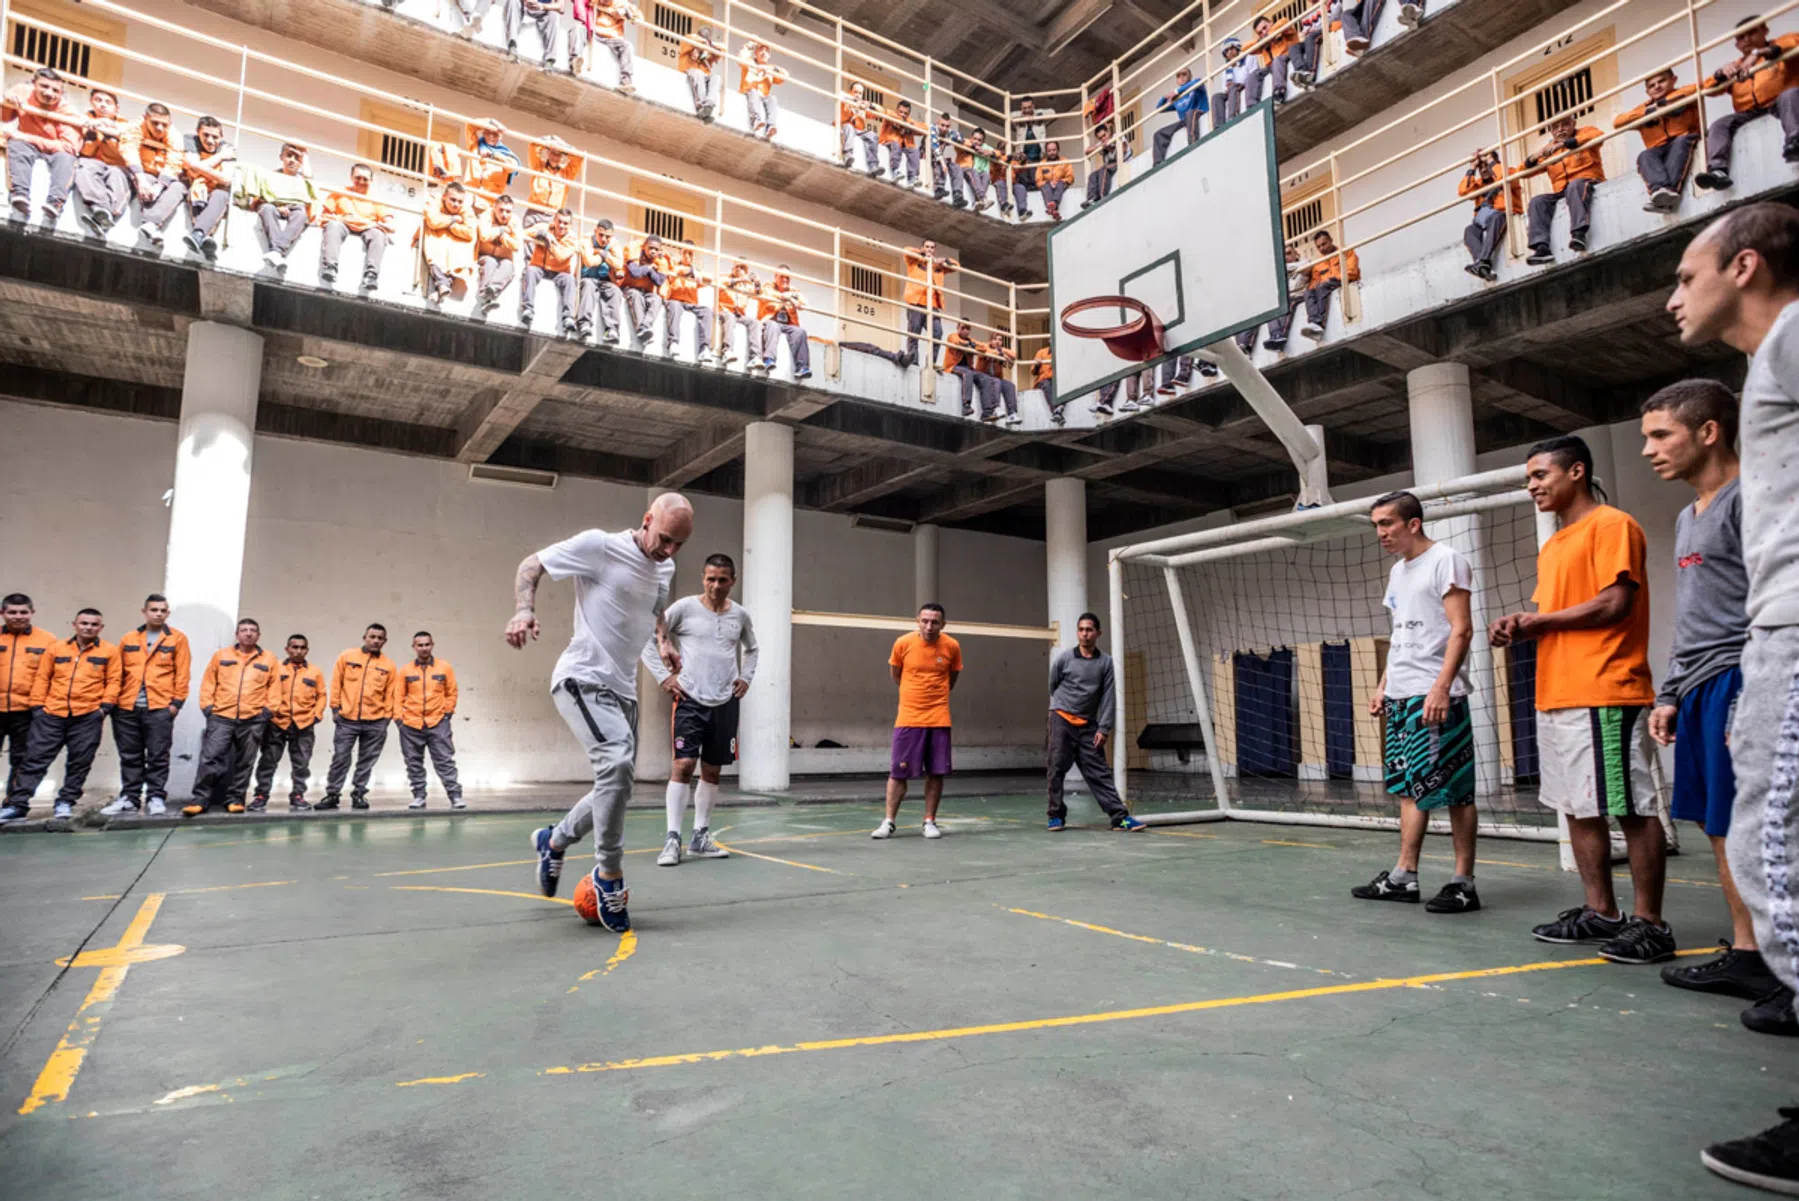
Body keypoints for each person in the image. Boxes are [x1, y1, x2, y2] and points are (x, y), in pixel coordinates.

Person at [1665, 203, 1799, 1189]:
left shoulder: (1793, 340)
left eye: (1685, 275)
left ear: (1742, 265)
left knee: (1777, 865)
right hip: (1768, 643)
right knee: (1766, 858)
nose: (1674, 297)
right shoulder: (1773, 366)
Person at [1488, 435, 1673, 964]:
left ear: (1576, 472)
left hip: (1605, 692)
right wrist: (1522, 627)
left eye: (1540, 475)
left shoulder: (1612, 525)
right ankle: (1602, 912)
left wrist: (1537, 621)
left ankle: (1651, 924)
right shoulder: (1555, 545)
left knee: (1630, 808)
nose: (1532, 486)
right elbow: (1559, 618)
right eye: (1529, 479)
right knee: (1576, 808)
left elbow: (1614, 603)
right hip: (1559, 695)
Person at [1639, 380, 1772, 1002]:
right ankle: (1749, 951)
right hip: (1696, 690)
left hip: (1742, 681)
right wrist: (1669, 692)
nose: (1648, 450)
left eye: (1661, 435)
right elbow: (1695, 616)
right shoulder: (1686, 516)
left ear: (1709, 431)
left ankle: (1768, 955)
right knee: (1719, 826)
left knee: (1753, 824)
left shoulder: (1755, 499)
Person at [513, 493, 693, 934]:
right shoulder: (599, 546)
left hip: (623, 690)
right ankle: (608, 875)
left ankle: (553, 841)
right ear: (647, 520)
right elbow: (530, 564)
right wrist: (523, 610)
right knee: (615, 765)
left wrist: (665, 641)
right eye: (665, 539)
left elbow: (655, 612)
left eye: (678, 546)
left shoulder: (664, 567)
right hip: (582, 677)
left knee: (616, 784)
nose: (668, 552)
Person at [1353, 491, 1480, 911]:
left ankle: (1464, 883)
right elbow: (1402, 637)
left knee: (1456, 792)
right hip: (1401, 696)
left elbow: (1461, 630)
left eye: (1387, 523)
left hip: (1436, 696)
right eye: (1376, 525)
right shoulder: (1397, 573)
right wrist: (1383, 685)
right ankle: (1404, 877)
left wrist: (1441, 687)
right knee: (1408, 789)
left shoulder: (1447, 560)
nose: (1381, 533)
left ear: (1413, 524)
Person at [645, 553, 758, 866]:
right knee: (683, 764)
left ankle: (700, 837)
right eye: (710, 579)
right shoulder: (684, 608)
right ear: (703, 578)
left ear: (733, 581)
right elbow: (650, 636)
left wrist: (745, 678)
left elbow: (753, 648)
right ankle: (672, 839)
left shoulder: (740, 616)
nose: (716, 585)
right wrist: (664, 677)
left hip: (725, 701)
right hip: (690, 699)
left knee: (712, 769)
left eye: (723, 580)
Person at [0, 609, 119, 825]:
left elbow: (113, 681)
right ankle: (17, 805)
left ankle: (65, 802)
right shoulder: (56, 648)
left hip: (87, 715)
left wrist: (103, 709)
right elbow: (42, 678)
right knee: (34, 760)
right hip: (52, 715)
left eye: (94, 624)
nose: (88, 627)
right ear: (74, 625)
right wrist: (38, 707)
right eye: (84, 623)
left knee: (80, 762)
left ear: (100, 628)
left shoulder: (109, 651)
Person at [1046, 613, 1142, 832]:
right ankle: (1055, 816)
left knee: (1099, 771)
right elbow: (1053, 685)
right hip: (1061, 718)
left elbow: (1109, 696)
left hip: (1089, 724)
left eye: (1089, 630)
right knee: (1056, 768)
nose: (1084, 634)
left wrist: (1104, 727)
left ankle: (1120, 818)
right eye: (1081, 630)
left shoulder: (1106, 662)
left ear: (1098, 633)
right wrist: (1063, 708)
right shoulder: (1065, 659)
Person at [873, 603, 961, 840]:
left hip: (939, 718)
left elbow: (952, 678)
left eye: (934, 622)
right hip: (909, 719)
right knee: (898, 773)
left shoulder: (952, 646)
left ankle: (929, 821)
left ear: (943, 624)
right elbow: (896, 676)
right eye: (925, 621)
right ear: (917, 621)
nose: (929, 626)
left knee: (935, 772)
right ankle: (889, 821)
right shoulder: (903, 644)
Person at [101, 594, 191, 818]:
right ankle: (130, 798)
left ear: (167, 613)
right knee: (130, 755)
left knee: (158, 755)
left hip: (159, 707)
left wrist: (175, 704)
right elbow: (116, 673)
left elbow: (182, 674)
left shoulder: (177, 639)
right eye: (154, 610)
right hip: (126, 708)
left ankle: (155, 797)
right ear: (144, 612)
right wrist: (114, 703)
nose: (158, 614)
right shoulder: (129, 638)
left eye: (163, 610)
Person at [183, 619, 277, 817]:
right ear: (237, 634)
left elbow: (275, 688)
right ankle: (200, 799)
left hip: (252, 719)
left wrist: (266, 712)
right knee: (210, 759)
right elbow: (209, 682)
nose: (249, 634)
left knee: (245, 762)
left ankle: (235, 799)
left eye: (253, 631)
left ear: (258, 635)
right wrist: (208, 708)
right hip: (221, 717)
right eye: (244, 630)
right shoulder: (221, 656)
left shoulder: (269, 659)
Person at [1694, 17, 1799, 193]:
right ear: (1737, 45)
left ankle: (1795, 142)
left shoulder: (1780, 46)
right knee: (1719, 124)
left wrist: (1757, 54)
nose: (1747, 40)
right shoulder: (1737, 66)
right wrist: (1721, 73)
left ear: (1764, 30)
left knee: (1790, 95)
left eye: (1752, 33)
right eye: (1741, 37)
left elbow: (1793, 42)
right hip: (1750, 112)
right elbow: (1708, 89)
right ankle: (1718, 170)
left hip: (1778, 103)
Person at [320, 623, 400, 811]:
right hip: (347, 720)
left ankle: (359, 794)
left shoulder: (388, 665)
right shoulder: (347, 657)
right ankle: (332, 795)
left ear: (385, 641)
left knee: (367, 760)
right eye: (372, 636)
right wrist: (335, 709)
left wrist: (386, 718)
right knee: (340, 758)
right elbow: (336, 682)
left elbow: (391, 693)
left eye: (380, 638)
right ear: (364, 637)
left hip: (376, 722)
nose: (375, 640)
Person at [252, 634, 325, 812]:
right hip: (277, 722)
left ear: (307, 650)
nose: (298, 651)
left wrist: (316, 715)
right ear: (287, 649)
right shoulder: (276, 668)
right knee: (268, 761)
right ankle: (261, 796)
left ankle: (298, 796)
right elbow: (265, 689)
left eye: (302, 647)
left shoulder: (314, 672)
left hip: (303, 724)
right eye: (294, 647)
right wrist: (267, 713)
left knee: (301, 764)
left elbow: (322, 695)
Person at [3, 67, 82, 227]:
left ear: (61, 93)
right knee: (16, 144)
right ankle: (20, 195)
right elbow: (4, 119)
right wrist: (7, 102)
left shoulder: (67, 111)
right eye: (44, 86)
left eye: (55, 90)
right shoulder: (22, 92)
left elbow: (70, 147)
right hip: (27, 145)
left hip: (56, 149)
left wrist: (27, 137)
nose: (49, 93)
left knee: (67, 159)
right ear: (34, 84)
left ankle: (55, 204)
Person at [1614, 68, 1701, 213]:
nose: (1657, 86)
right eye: (1652, 85)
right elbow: (1618, 122)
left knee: (1680, 142)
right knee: (1645, 155)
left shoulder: (1684, 94)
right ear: (1647, 92)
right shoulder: (1645, 108)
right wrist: (1648, 113)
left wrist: (1669, 103)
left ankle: (1666, 197)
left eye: (1662, 81)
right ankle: (1662, 191)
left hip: (1686, 139)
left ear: (1673, 80)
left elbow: (1700, 87)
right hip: (1659, 150)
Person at [1522, 114, 1605, 265]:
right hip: (1562, 190)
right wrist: (1536, 155)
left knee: (1575, 185)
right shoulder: (1549, 149)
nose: (1560, 129)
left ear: (1573, 124)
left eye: (1565, 124)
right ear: (1551, 131)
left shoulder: (1585, 132)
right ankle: (1541, 248)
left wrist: (1566, 144)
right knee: (1537, 201)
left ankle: (1578, 234)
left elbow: (1598, 135)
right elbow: (1523, 172)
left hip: (1587, 180)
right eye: (1555, 127)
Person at [0, 595, 57, 803]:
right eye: (12, 612)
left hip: (26, 711)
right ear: (2, 613)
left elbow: (54, 675)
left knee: (23, 758)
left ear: (32, 613)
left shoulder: (47, 640)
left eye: (23, 612)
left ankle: (13, 803)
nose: (18, 616)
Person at [397, 632, 462, 811]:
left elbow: (452, 692)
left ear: (432, 645)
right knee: (413, 762)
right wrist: (399, 720)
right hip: (411, 725)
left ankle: (455, 796)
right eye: (420, 645)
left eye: (427, 644)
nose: (424, 648)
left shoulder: (444, 667)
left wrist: (447, 713)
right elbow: (398, 696)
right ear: (414, 647)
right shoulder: (405, 670)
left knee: (445, 760)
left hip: (438, 723)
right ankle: (418, 796)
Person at [167, 115, 235, 262]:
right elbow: (192, 172)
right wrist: (220, 157)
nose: (210, 140)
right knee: (195, 187)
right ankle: (206, 239)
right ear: (198, 132)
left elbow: (226, 179)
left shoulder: (227, 148)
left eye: (215, 137)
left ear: (221, 137)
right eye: (206, 135)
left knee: (221, 194)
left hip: (216, 191)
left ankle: (199, 235)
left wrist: (199, 167)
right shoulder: (190, 141)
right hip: (195, 188)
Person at [319, 161, 394, 293]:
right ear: (351, 177)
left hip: (368, 229)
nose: (361, 181)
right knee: (334, 225)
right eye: (357, 178)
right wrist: (342, 219)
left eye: (365, 179)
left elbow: (391, 226)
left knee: (379, 234)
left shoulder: (375, 199)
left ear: (371, 181)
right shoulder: (340, 192)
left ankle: (371, 276)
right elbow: (324, 216)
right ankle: (330, 267)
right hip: (343, 224)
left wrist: (368, 224)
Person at [247, 142, 319, 276]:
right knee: (266, 208)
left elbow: (311, 200)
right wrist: (278, 207)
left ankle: (276, 251)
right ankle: (279, 251)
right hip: (274, 207)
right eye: (289, 156)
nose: (292, 160)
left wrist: (306, 159)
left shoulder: (303, 180)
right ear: (281, 157)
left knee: (301, 214)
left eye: (297, 158)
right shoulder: (270, 175)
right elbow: (259, 199)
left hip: (295, 209)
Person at [72, 88, 132, 237]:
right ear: (91, 102)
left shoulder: (126, 126)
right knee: (85, 167)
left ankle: (107, 216)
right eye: (98, 100)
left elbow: (122, 157)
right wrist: (93, 132)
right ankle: (101, 208)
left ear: (116, 108)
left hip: (117, 166)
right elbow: (85, 153)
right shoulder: (84, 120)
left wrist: (109, 132)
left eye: (108, 102)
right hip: (94, 162)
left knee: (116, 174)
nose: (102, 105)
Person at [1458, 147, 1522, 281]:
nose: (1483, 169)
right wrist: (1472, 168)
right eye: (1480, 167)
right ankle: (1481, 265)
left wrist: (1491, 161)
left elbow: (1506, 177)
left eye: (1485, 165)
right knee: (1470, 230)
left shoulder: (1507, 173)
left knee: (1497, 217)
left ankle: (1483, 261)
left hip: (1503, 216)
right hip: (1484, 222)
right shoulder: (1478, 185)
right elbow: (1463, 192)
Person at [122, 103, 179, 251]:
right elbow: (129, 148)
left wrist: (159, 187)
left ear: (170, 124)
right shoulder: (135, 126)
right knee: (146, 182)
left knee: (179, 187)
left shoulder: (174, 134)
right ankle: (151, 224)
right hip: (139, 172)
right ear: (145, 118)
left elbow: (175, 161)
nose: (160, 128)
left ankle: (151, 224)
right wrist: (140, 179)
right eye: (155, 123)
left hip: (160, 177)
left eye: (164, 125)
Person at [521, 207, 582, 336]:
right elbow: (524, 233)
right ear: (554, 220)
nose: (561, 225)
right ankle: (528, 309)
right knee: (530, 270)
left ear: (570, 225)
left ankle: (568, 317)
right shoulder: (545, 227)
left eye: (565, 223)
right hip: (539, 267)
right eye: (559, 221)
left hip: (559, 272)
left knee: (570, 280)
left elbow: (561, 256)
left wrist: (550, 244)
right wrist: (543, 234)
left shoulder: (572, 239)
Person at [419, 181, 479, 310]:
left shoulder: (466, 211)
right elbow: (433, 221)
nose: (456, 204)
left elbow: (469, 232)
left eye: (459, 201)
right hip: (437, 239)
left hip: (455, 244)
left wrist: (450, 226)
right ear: (444, 196)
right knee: (435, 255)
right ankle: (441, 286)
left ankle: (441, 288)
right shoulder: (435, 202)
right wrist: (452, 219)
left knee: (459, 257)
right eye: (453, 200)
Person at [1298, 228, 1359, 340]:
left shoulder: (1346, 252)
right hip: (1326, 286)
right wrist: (1313, 287)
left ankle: (1320, 323)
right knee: (1308, 292)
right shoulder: (1319, 262)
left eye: (1324, 244)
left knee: (1323, 286)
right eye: (1319, 247)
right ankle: (1313, 322)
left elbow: (1352, 272)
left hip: (1343, 281)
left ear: (1331, 240)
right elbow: (1314, 281)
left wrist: (1331, 279)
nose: (1322, 248)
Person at [902, 241, 957, 368]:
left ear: (935, 250)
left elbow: (956, 265)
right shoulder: (914, 261)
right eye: (927, 247)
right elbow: (906, 249)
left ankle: (930, 363)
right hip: (915, 303)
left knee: (937, 334)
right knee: (914, 333)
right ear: (922, 248)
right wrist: (922, 253)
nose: (929, 249)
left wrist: (942, 260)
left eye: (932, 248)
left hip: (932, 306)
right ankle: (913, 361)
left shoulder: (938, 266)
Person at [665, 243, 717, 366]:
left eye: (691, 253)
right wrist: (692, 271)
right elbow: (678, 271)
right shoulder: (674, 266)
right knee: (674, 306)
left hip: (691, 303)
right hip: (676, 300)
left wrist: (697, 273)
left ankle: (705, 349)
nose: (689, 256)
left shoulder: (697, 271)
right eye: (686, 252)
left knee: (707, 311)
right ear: (680, 253)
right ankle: (673, 342)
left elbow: (711, 279)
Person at [475, 192, 521, 322]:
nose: (504, 214)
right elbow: (484, 236)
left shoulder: (515, 221)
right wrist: (501, 230)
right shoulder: (485, 216)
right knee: (490, 262)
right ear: (494, 208)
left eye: (508, 211)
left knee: (508, 266)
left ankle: (491, 291)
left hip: (503, 259)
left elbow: (516, 245)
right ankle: (486, 294)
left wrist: (502, 236)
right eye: (501, 210)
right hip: (485, 256)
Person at [578, 217, 625, 343]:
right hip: (587, 277)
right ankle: (584, 324)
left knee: (615, 291)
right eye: (601, 235)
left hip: (604, 280)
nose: (604, 239)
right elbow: (589, 261)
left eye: (607, 237)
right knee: (588, 285)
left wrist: (602, 253)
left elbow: (619, 264)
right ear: (595, 231)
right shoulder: (586, 241)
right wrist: (605, 255)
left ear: (612, 236)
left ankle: (612, 330)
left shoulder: (614, 245)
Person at [622, 233, 671, 351]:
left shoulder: (661, 260)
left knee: (657, 299)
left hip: (647, 292)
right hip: (630, 288)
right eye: (650, 248)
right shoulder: (634, 250)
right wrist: (649, 268)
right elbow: (635, 273)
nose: (653, 251)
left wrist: (651, 268)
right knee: (635, 295)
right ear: (644, 246)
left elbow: (659, 281)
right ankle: (642, 330)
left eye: (656, 249)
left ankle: (645, 326)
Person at [759, 266, 810, 379]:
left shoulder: (793, 291)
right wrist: (788, 298)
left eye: (787, 277)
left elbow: (805, 303)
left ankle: (802, 367)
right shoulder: (768, 286)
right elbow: (766, 293)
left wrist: (792, 296)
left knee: (800, 332)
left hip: (788, 325)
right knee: (773, 326)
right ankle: (769, 360)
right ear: (775, 277)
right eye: (782, 276)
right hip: (771, 322)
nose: (785, 280)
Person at [522, 136, 582, 230]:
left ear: (562, 157)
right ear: (548, 153)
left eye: (559, 155)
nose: (555, 157)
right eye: (553, 153)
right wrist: (549, 141)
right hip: (534, 212)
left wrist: (564, 148)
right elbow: (533, 146)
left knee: (548, 242)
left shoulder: (567, 173)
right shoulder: (538, 166)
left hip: (553, 216)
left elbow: (578, 158)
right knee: (528, 241)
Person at [1151, 67, 1208, 165]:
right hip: (1185, 121)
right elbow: (1159, 109)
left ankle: (1193, 144)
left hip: (1199, 113)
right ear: (1176, 80)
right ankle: (1158, 164)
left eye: (1184, 74)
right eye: (1178, 75)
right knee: (1158, 134)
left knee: (1189, 113)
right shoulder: (1177, 98)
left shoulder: (1196, 88)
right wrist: (1165, 97)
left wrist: (1177, 91)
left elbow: (1197, 81)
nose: (1181, 77)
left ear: (1189, 76)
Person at [588, 0, 641, 92]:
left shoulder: (622, 4)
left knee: (627, 45)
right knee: (578, 29)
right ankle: (575, 60)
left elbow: (638, 20)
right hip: (594, 33)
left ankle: (626, 81)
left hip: (612, 38)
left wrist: (626, 11)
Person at [719, 260, 761, 369]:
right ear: (733, 268)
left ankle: (755, 357)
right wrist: (740, 279)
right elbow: (720, 282)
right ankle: (727, 351)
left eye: (743, 268)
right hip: (725, 311)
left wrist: (757, 283)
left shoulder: (746, 285)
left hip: (740, 315)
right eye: (737, 267)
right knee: (730, 317)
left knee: (755, 322)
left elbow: (758, 295)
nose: (739, 270)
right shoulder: (726, 277)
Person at [739, 41, 785, 140]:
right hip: (749, 93)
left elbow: (785, 76)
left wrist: (772, 69)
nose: (764, 52)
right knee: (754, 92)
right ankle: (756, 120)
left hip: (763, 97)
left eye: (766, 51)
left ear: (769, 55)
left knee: (772, 99)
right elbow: (741, 58)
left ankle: (770, 127)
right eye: (761, 50)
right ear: (755, 53)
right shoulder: (750, 63)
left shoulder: (771, 69)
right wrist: (748, 46)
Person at [679, 25, 723, 120]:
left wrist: (709, 47)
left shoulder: (708, 51)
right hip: (690, 73)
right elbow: (690, 39)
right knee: (698, 73)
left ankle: (709, 106)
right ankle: (701, 107)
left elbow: (723, 50)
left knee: (716, 77)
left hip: (704, 77)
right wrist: (701, 45)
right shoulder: (689, 41)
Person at [977, 331, 1020, 426]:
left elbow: (1014, 355)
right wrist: (999, 353)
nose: (997, 341)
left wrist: (1002, 351)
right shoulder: (985, 346)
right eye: (995, 339)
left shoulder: (1001, 350)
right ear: (990, 340)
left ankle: (1012, 413)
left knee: (1010, 385)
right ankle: (996, 407)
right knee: (996, 381)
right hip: (983, 376)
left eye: (1000, 340)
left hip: (996, 378)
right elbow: (982, 351)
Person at [504, 0, 562, 70]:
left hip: (542, 8)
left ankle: (549, 61)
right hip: (523, 5)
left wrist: (542, 6)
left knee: (555, 15)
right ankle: (512, 47)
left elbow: (560, 6)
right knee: (512, 1)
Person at [942, 320, 983, 415]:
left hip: (968, 368)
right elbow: (955, 341)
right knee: (967, 373)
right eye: (962, 328)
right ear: (958, 328)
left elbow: (983, 347)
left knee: (986, 378)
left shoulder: (971, 340)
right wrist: (967, 344)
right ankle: (966, 405)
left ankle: (988, 411)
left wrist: (974, 345)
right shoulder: (952, 336)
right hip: (953, 367)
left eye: (967, 329)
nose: (965, 331)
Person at [879, 98, 923, 186]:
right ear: (897, 110)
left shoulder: (909, 122)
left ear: (908, 114)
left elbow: (924, 129)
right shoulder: (891, 115)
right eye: (901, 111)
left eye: (905, 113)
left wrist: (909, 127)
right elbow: (886, 112)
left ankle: (913, 177)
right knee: (895, 144)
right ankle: (895, 171)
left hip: (903, 147)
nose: (902, 114)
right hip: (888, 142)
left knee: (914, 151)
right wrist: (900, 121)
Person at [839, 81, 879, 174]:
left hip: (859, 130)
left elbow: (879, 112)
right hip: (846, 125)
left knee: (872, 135)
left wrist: (869, 105)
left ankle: (873, 165)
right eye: (855, 92)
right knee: (849, 127)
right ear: (850, 92)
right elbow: (840, 94)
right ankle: (848, 155)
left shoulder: (862, 105)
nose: (858, 95)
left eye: (860, 93)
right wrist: (853, 100)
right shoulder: (845, 100)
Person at [1028, 142, 1075, 221]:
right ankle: (1054, 209)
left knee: (1060, 184)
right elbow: (1038, 180)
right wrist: (1049, 183)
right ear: (1046, 152)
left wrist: (1058, 181)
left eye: (1054, 150)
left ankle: (1052, 208)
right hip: (1047, 185)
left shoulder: (1065, 161)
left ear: (1058, 150)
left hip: (1061, 184)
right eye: (1049, 150)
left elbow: (1070, 177)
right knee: (1046, 186)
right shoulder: (1042, 163)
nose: (1052, 152)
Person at [1217, 37, 1252, 129]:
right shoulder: (1225, 70)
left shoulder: (1248, 58)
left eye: (1231, 48)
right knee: (1216, 97)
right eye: (1226, 51)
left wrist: (1233, 85)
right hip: (1232, 92)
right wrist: (1227, 87)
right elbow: (1224, 88)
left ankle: (1233, 117)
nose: (1229, 52)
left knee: (1233, 88)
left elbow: (1253, 75)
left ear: (1237, 47)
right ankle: (1219, 126)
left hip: (1246, 86)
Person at [929, 113, 960, 203]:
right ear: (938, 123)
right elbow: (935, 147)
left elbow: (960, 137)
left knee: (956, 167)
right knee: (940, 162)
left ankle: (958, 195)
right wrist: (943, 163)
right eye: (942, 125)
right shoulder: (932, 128)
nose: (944, 128)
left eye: (947, 126)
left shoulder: (948, 132)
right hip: (927, 156)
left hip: (939, 158)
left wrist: (952, 138)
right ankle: (938, 189)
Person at [1032, 344, 1056, 419]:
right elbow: (1033, 372)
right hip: (1043, 380)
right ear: (1049, 341)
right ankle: (1055, 410)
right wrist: (1037, 365)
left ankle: (1059, 409)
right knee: (1046, 384)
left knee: (1065, 385)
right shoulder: (1041, 352)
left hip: (1057, 380)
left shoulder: (1063, 352)